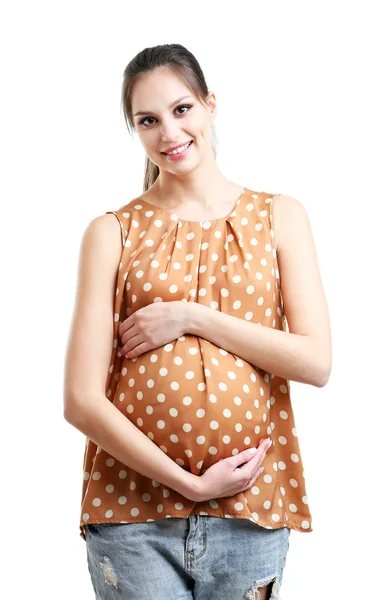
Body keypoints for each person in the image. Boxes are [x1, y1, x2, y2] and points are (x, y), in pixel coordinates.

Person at [63, 43, 332, 600]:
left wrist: (192, 316)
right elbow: (80, 401)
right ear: (134, 130)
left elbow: (316, 361)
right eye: (148, 120)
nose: (169, 132)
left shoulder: (280, 215)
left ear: (210, 105)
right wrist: (189, 483)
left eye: (182, 109)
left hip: (250, 510)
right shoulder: (111, 232)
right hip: (132, 515)